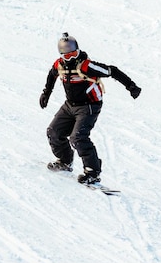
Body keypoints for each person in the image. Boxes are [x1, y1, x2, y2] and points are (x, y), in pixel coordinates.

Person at [39, 32, 141, 185]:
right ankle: (65, 161)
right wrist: (46, 93)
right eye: (66, 56)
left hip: (89, 106)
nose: (70, 58)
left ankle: (92, 172)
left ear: (78, 50)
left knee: (78, 137)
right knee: (53, 132)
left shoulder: (86, 65)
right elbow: (51, 76)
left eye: (73, 53)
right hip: (69, 105)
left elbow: (112, 70)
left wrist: (131, 86)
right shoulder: (59, 64)